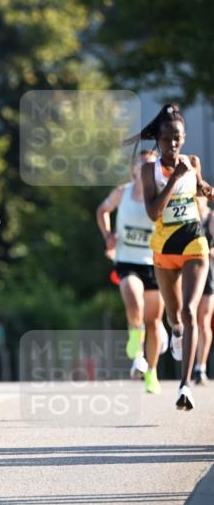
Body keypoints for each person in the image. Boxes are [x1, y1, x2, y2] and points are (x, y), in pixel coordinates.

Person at [136, 104, 213, 410]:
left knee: (192, 311)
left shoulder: (191, 162)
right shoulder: (149, 170)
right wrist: (173, 179)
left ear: (184, 137)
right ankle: (177, 333)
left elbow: (200, 190)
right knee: (175, 317)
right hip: (164, 249)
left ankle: (185, 386)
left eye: (178, 138)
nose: (173, 144)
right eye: (167, 139)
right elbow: (153, 212)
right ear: (158, 138)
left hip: (195, 243)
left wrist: (204, 188)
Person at [96, 150, 167, 394]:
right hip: (127, 262)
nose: (146, 168)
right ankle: (136, 351)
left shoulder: (160, 196)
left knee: (154, 321)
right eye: (142, 164)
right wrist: (108, 237)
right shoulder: (122, 192)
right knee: (133, 300)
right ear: (134, 168)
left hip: (155, 265)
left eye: (151, 165)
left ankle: (152, 372)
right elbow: (102, 210)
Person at [194, 197, 214, 384]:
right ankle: (189, 364)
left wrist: (206, 252)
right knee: (186, 318)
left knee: (203, 321)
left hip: (208, 275)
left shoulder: (211, 218)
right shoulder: (187, 217)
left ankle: (201, 368)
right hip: (188, 275)